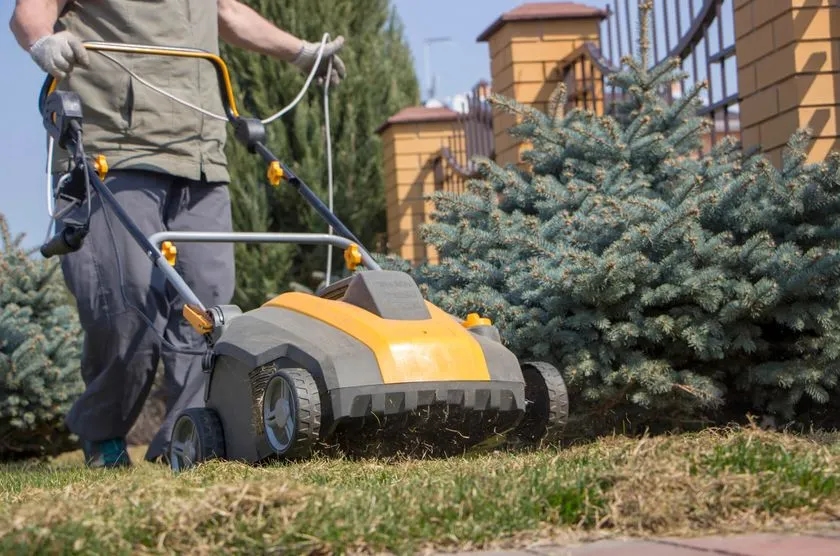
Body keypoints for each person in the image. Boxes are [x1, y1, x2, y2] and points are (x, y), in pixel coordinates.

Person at [9, 0, 346, 468]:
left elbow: (226, 10)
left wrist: (303, 53)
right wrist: (44, 41)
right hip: (113, 149)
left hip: (201, 154)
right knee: (124, 306)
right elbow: (30, 12)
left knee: (210, 310)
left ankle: (185, 444)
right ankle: (103, 435)